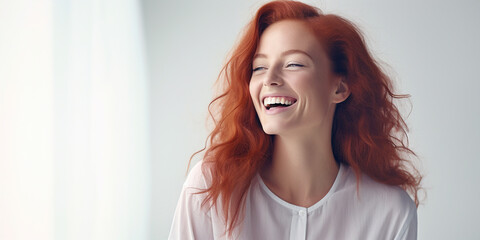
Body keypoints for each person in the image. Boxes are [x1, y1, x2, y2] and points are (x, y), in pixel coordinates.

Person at [169, 1, 423, 239]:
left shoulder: (391, 213)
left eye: (293, 64)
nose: (269, 79)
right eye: (259, 67)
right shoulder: (210, 187)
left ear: (340, 88)